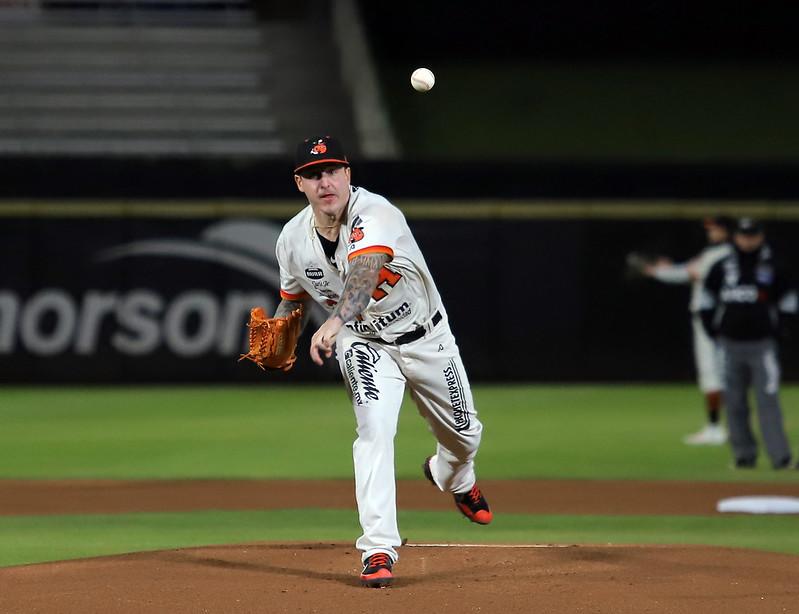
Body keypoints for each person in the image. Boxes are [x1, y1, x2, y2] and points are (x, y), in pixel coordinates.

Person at [273, 135, 491, 587]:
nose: (325, 181)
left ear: (349, 174)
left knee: (465, 435)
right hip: (364, 343)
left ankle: (453, 474)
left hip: (426, 337)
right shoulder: (291, 240)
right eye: (313, 174)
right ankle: (378, 548)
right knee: (372, 431)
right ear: (300, 183)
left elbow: (367, 272)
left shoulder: (376, 213)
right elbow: (291, 299)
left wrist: (332, 323)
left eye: (332, 170)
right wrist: (282, 337)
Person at [699, 217, 797, 469]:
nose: (747, 240)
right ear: (736, 236)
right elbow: (706, 300)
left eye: (752, 235)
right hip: (729, 345)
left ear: (761, 236)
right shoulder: (722, 266)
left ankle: (781, 457)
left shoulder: (774, 265)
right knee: (734, 402)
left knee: (768, 400)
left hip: (762, 345)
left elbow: (789, 300)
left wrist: (782, 330)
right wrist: (714, 331)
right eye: (743, 235)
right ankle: (744, 456)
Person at [642, 217, 733, 445]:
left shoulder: (721, 254)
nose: (710, 232)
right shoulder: (717, 253)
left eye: (715, 228)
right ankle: (727, 426)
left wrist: (656, 271)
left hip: (712, 320)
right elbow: (686, 270)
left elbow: (687, 273)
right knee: (724, 374)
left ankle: (715, 428)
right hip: (722, 319)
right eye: (709, 229)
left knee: (713, 374)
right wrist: (665, 269)